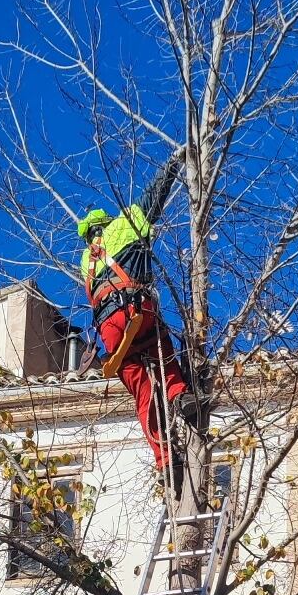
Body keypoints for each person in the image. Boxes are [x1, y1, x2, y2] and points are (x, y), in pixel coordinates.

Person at [78, 150, 198, 471]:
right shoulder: (123, 224)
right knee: (164, 348)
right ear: (105, 223)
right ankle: (180, 395)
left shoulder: (85, 263)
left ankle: (164, 460)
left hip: (110, 332)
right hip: (136, 309)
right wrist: (172, 163)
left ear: (89, 236)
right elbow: (153, 197)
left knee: (141, 391)